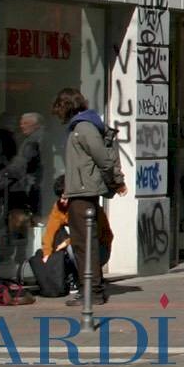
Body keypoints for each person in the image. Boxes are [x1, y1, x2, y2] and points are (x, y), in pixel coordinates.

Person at [53, 88, 119, 307]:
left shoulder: (84, 127)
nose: (58, 113)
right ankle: (89, 289)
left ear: (67, 106)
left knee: (84, 244)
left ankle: (92, 291)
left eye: (60, 107)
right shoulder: (80, 127)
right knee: (83, 243)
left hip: (84, 192)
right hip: (79, 190)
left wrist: (115, 181)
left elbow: (103, 158)